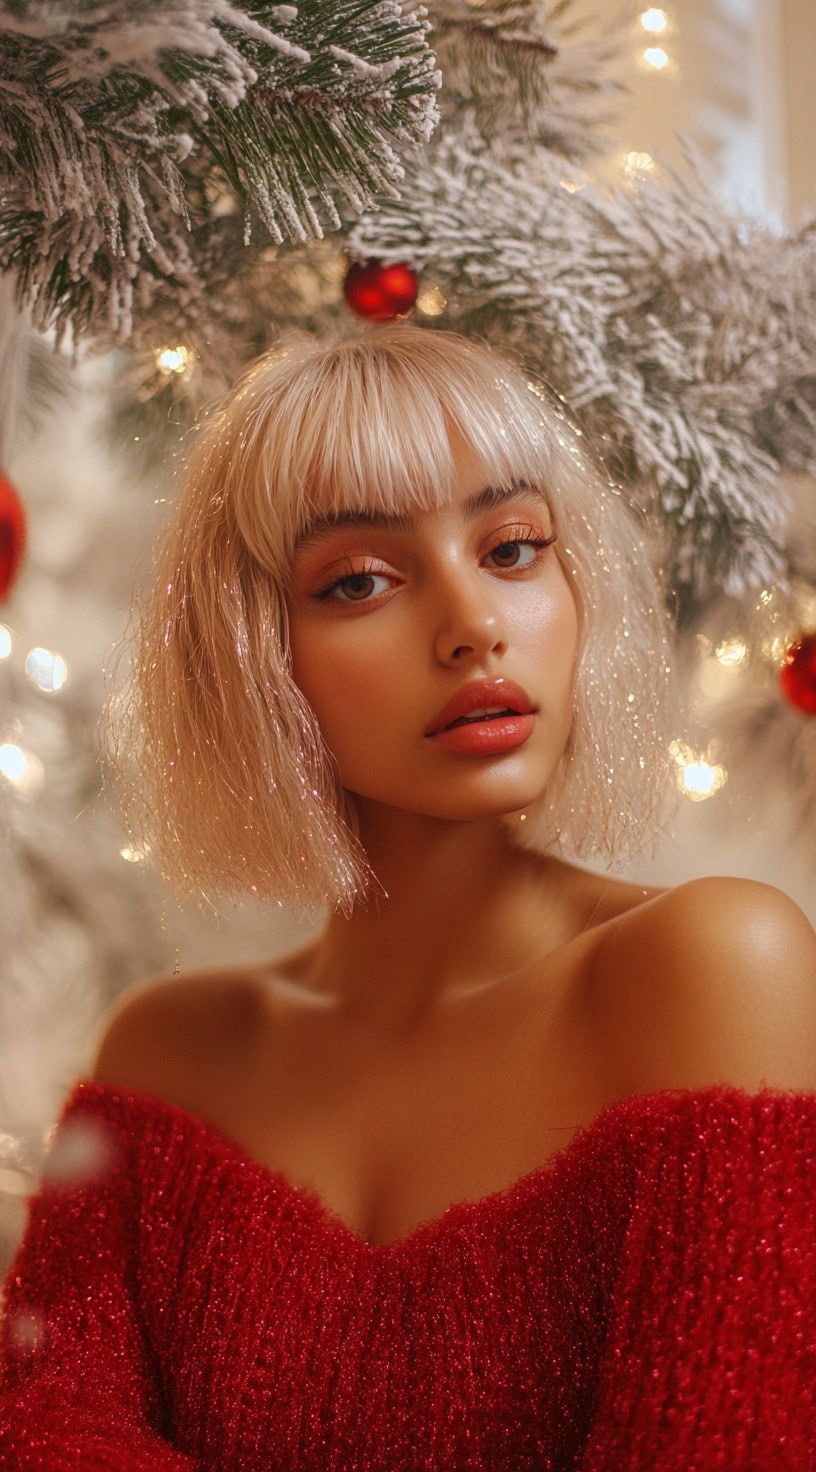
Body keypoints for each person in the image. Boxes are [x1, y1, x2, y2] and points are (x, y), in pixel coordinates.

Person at [1, 324, 815, 1470]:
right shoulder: (162, 1064)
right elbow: (45, 1437)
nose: (473, 621)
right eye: (361, 578)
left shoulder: (718, 958)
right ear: (253, 654)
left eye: (515, 547)